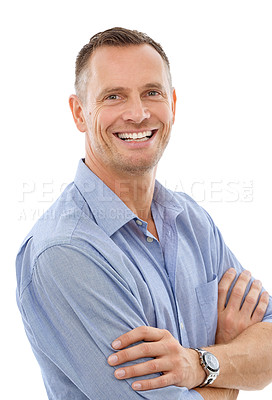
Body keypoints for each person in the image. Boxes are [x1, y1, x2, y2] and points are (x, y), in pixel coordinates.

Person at [16, 27, 272, 400]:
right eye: (114, 96)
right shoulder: (63, 252)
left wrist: (197, 363)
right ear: (79, 113)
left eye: (151, 93)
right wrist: (231, 362)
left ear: (172, 104)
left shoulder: (193, 222)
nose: (137, 114)